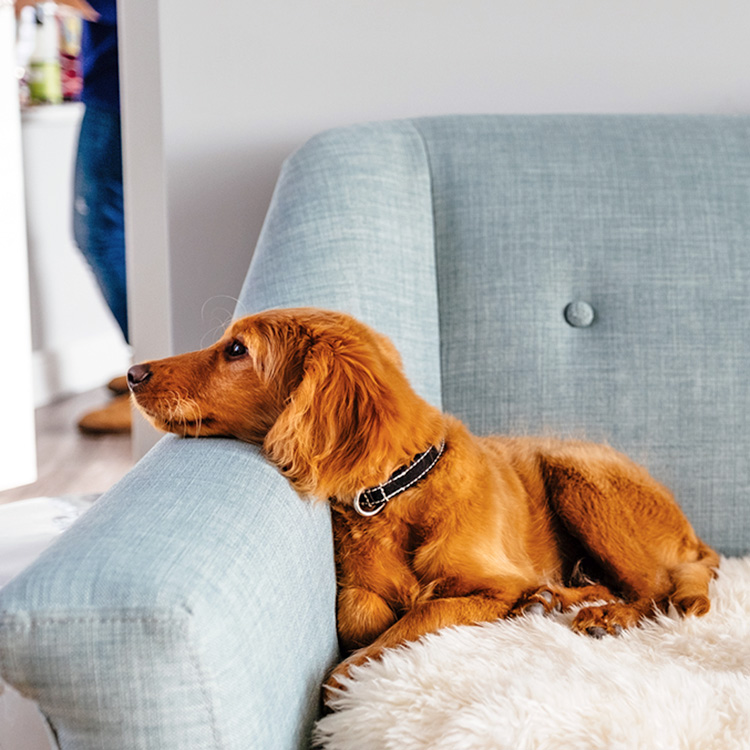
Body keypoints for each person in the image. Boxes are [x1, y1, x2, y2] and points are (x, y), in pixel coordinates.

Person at [17, 0, 131, 433]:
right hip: (116, 84)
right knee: (113, 233)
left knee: (99, 233)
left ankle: (155, 365)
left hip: (121, 88)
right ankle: (154, 357)